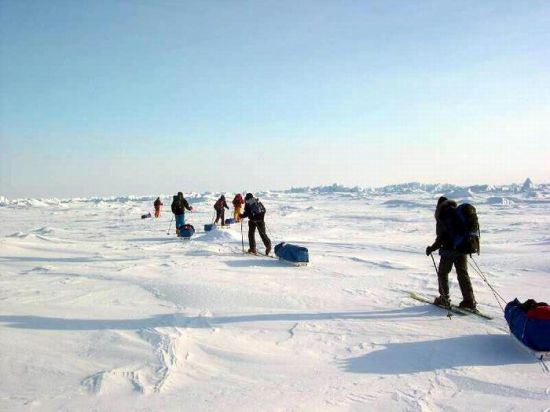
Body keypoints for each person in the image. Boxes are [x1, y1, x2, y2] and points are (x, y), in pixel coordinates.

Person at [426, 196, 477, 310]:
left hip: (449, 250)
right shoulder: (457, 213)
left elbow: (442, 237)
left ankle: (444, 298)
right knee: (463, 274)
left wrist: (432, 248)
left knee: (443, 273)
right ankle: (469, 301)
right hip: (462, 249)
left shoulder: (443, 214)